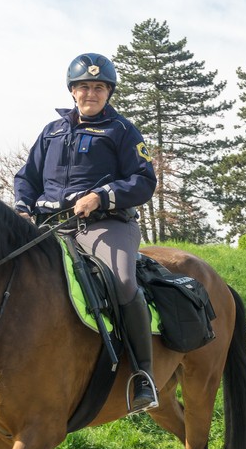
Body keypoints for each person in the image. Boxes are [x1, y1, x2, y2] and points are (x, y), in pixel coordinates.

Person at [14, 53, 159, 413]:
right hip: (51, 225)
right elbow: (26, 178)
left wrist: (101, 196)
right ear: (73, 91)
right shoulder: (51, 131)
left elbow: (144, 180)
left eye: (98, 87)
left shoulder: (122, 131)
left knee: (123, 281)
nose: (90, 93)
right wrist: (21, 206)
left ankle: (143, 374)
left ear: (108, 92)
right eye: (83, 87)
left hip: (105, 224)